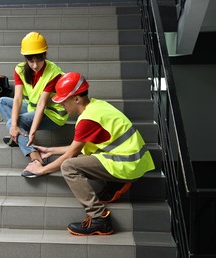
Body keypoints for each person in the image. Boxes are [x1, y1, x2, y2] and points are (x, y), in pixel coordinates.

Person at [23, 72, 155, 236]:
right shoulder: (96, 106)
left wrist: (41, 170)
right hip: (135, 162)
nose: (61, 105)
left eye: (64, 100)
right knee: (83, 157)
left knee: (69, 167)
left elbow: (71, 154)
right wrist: (50, 150)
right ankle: (116, 184)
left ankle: (100, 218)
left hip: (127, 165)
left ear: (77, 98)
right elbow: (77, 147)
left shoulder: (87, 120)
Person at [0, 32, 68, 168]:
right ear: (26, 59)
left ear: (44, 56)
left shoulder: (53, 73)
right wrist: (14, 127)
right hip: (32, 108)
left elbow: (41, 105)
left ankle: (36, 158)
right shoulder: (20, 70)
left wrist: (32, 133)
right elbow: (17, 99)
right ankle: (18, 134)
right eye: (31, 61)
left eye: (39, 60)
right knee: (2, 102)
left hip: (52, 114)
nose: (35, 65)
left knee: (12, 122)